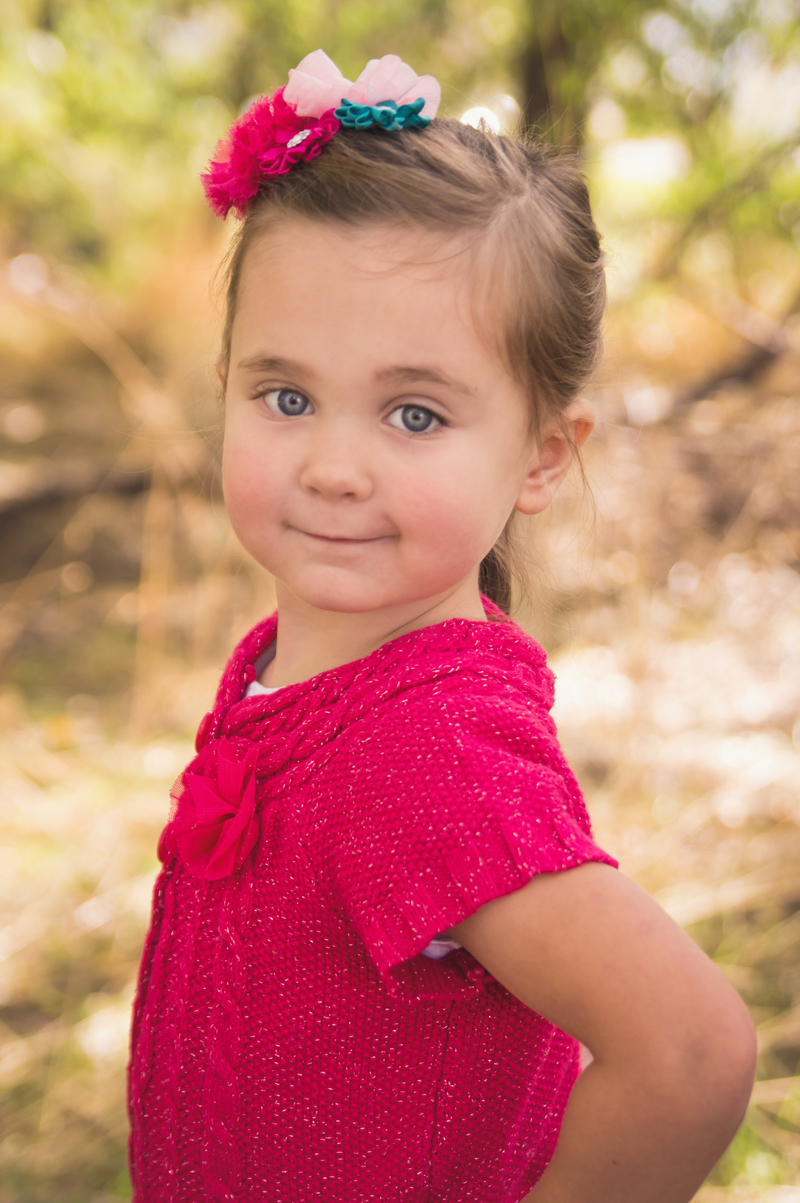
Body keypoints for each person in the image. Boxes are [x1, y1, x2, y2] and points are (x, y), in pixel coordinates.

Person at [127, 49, 756, 1203]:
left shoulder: (426, 755)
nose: (331, 466)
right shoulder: (298, 675)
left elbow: (688, 1057)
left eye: (413, 414)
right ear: (224, 385)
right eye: (285, 396)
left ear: (541, 456)